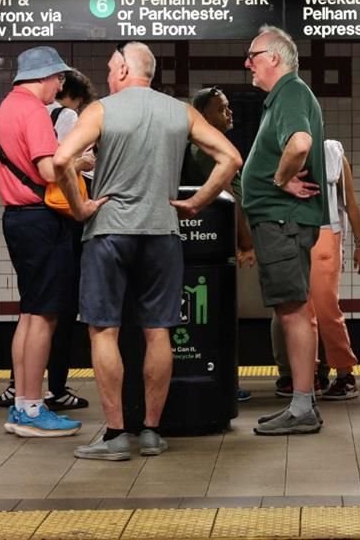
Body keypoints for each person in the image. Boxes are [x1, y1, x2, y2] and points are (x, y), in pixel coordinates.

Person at [54, 41, 241, 460]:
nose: (106, 75)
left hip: (108, 234)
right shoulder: (180, 111)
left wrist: (81, 206)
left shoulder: (101, 110)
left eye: (109, 67)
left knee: (105, 330)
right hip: (162, 234)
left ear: (123, 68)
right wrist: (198, 202)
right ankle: (152, 432)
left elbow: (62, 158)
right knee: (158, 331)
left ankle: (118, 434)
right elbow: (231, 157)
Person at [240, 26, 329, 436]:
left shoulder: (291, 92)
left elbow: (298, 144)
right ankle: (301, 403)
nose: (248, 63)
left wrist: (278, 181)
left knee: (293, 310)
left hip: (283, 220)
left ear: (274, 58)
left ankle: (302, 406)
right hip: (280, 220)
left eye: (253, 55)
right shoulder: (283, 97)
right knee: (291, 308)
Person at [0, 46, 83, 438]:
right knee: (45, 315)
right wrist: (80, 162)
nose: (60, 85)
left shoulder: (4, 109)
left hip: (15, 218)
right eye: (58, 78)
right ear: (43, 77)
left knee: (29, 313)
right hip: (41, 220)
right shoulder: (32, 112)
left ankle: (21, 402)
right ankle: (32, 407)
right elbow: (49, 170)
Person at [271, 140, 360, 402]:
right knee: (315, 310)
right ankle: (322, 375)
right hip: (320, 232)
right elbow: (350, 203)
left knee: (320, 310)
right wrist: (359, 245)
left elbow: (351, 203)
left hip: (306, 232)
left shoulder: (287, 152)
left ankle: (338, 375)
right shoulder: (332, 153)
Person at [185, 85, 254, 402]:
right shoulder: (208, 150)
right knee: (221, 313)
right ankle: (225, 381)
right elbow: (228, 199)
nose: (229, 113)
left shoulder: (206, 147)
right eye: (221, 108)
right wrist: (244, 241)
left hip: (215, 239)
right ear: (203, 115)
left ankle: (225, 379)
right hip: (218, 241)